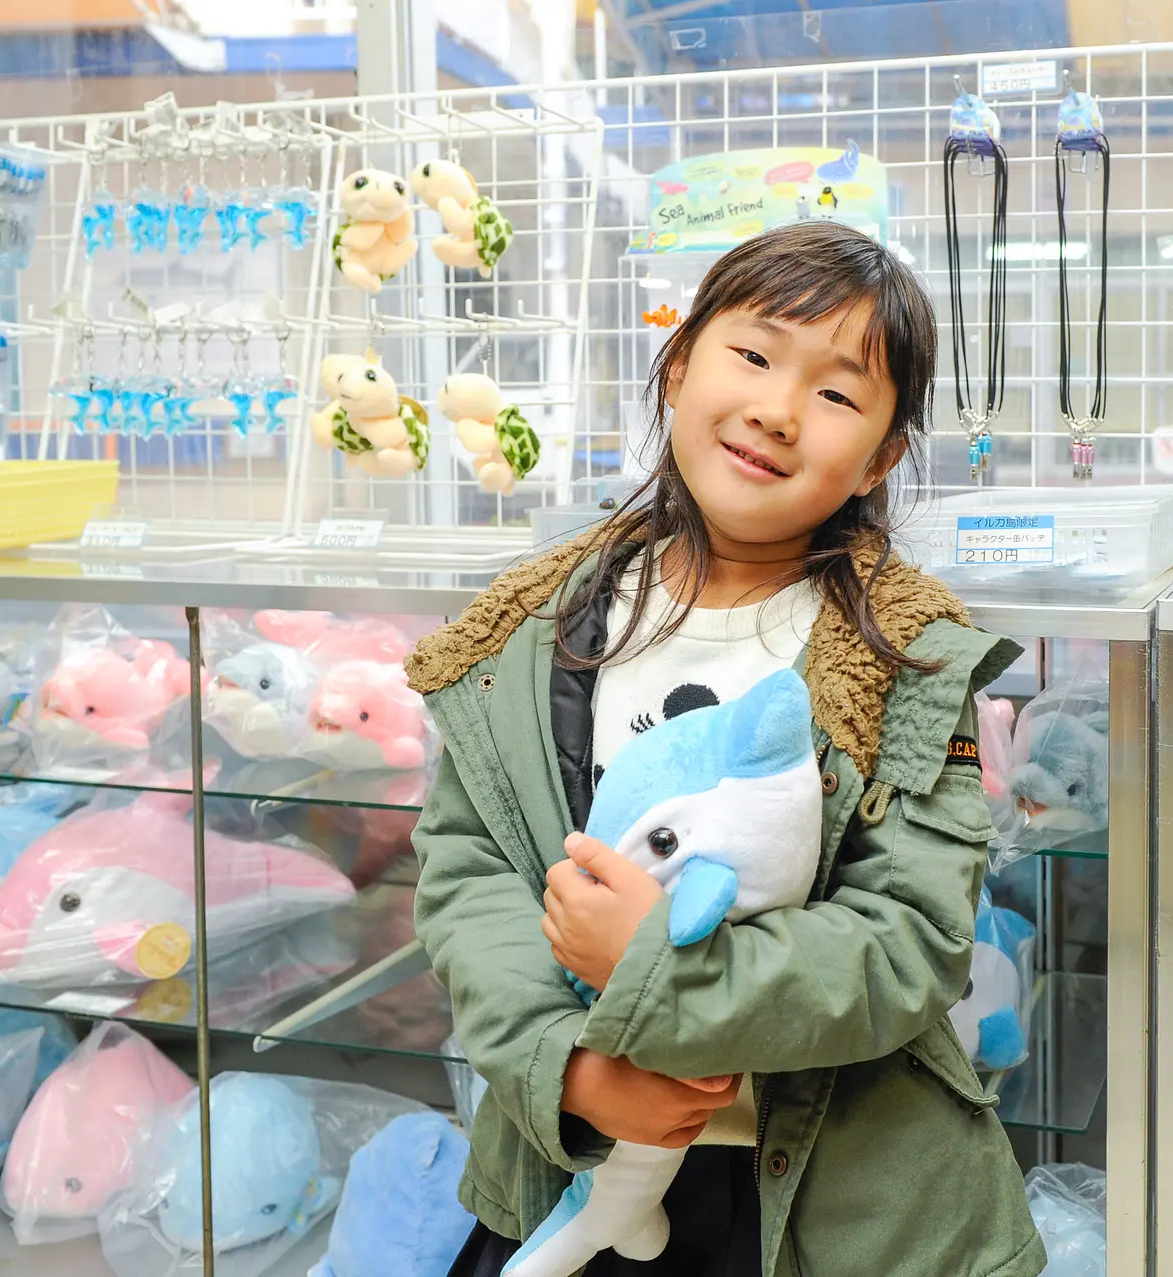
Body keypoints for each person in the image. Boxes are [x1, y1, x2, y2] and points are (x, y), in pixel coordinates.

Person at [408, 218, 1044, 1277]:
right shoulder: (532, 628)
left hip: (834, 1199)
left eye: (835, 393)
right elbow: (470, 873)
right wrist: (571, 1071)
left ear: (881, 456)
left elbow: (909, 941)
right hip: (571, 1160)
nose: (776, 410)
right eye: (752, 354)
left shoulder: (908, 655)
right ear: (677, 367)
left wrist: (658, 968)